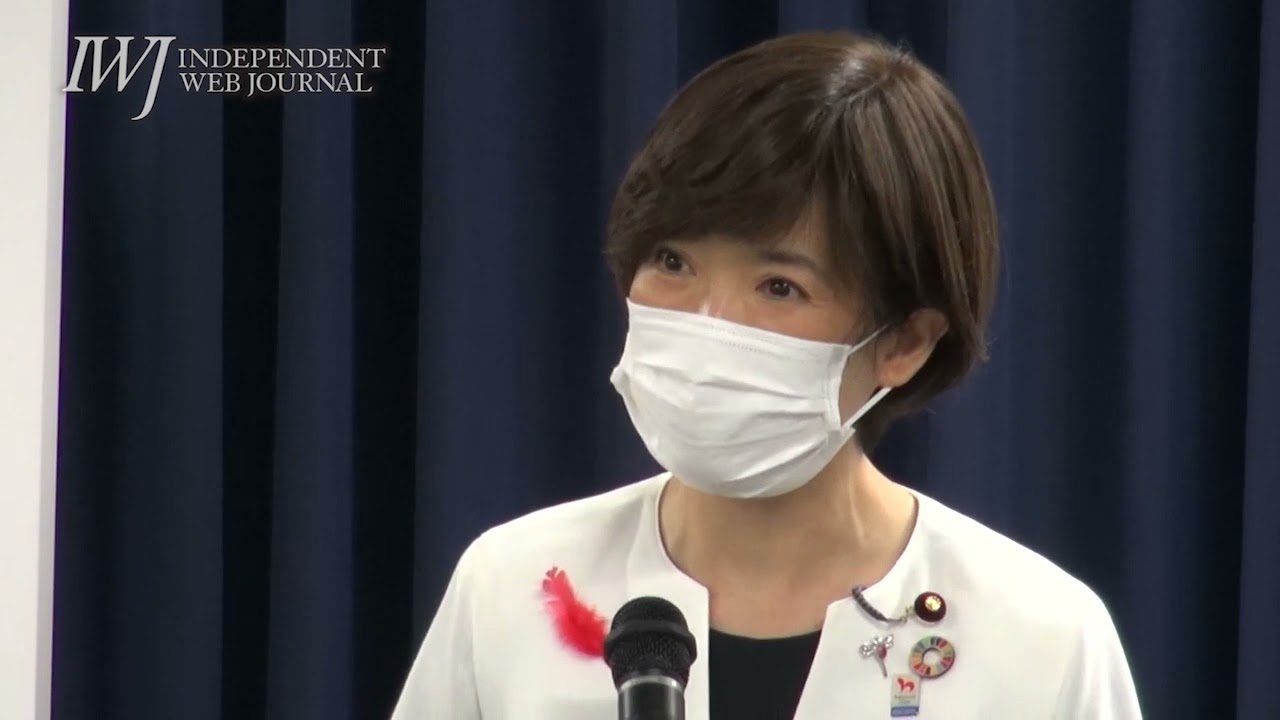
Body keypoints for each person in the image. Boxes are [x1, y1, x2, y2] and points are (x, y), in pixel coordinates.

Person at [390, 30, 1142, 719]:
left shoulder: (1041, 640)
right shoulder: (512, 589)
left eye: (779, 286)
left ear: (905, 342)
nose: (708, 322)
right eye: (672, 261)